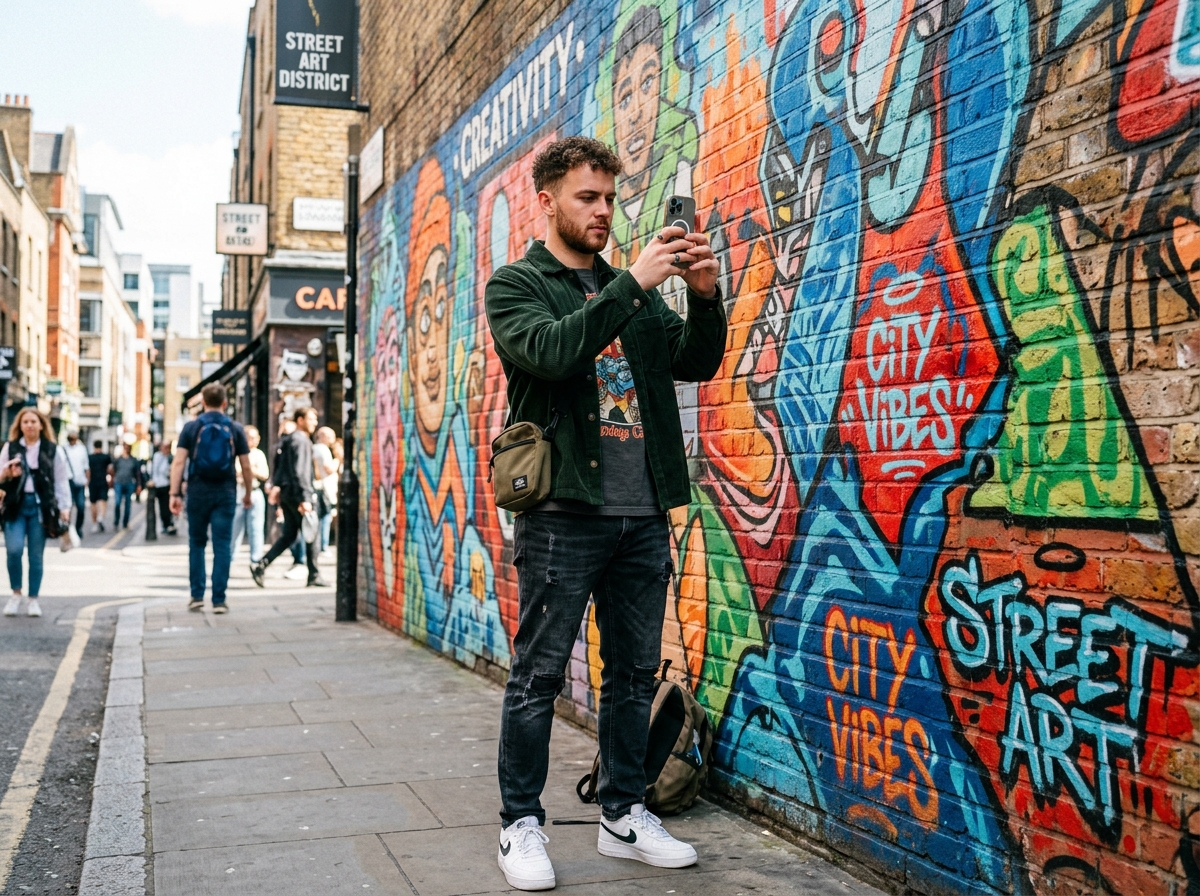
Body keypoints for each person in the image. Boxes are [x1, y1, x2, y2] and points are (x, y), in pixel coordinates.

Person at [483, 137, 726, 890]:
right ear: (548, 201)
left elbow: (693, 362)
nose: (603, 212)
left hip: (642, 511)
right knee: (540, 675)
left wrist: (708, 296)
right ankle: (519, 824)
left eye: (611, 199)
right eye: (588, 198)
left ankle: (624, 813)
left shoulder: (635, 286)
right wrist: (632, 286)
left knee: (631, 674)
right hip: (563, 512)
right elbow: (552, 355)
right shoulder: (517, 284)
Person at [168, 383, 254, 614]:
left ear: (203, 402)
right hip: (225, 492)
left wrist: (174, 493)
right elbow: (245, 465)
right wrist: (248, 492)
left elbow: (178, 462)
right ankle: (219, 600)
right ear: (225, 403)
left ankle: (197, 596)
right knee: (222, 545)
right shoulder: (235, 429)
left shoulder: (192, 427)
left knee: (196, 544)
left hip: (197, 492)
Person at [1, 409, 72, 618]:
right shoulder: (11, 447)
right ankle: (15, 594)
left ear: (41, 425)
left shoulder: (52, 450)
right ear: (20, 426)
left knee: (36, 556)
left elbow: (61, 479)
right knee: (13, 550)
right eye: (25, 422)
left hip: (41, 507)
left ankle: (33, 599)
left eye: (34, 421)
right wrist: (7, 472)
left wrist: (65, 507)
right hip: (16, 506)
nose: (30, 425)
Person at [251, 407, 326, 588]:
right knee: (312, 533)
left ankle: (262, 565)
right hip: (298, 495)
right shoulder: (301, 440)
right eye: (311, 419)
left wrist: (278, 488)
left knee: (289, 535)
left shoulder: (288, 440)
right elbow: (300, 472)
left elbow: (281, 468)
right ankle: (314, 574)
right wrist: (305, 498)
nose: (314, 423)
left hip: (288, 494)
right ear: (300, 419)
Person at [231, 424, 269, 563]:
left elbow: (264, 474)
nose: (253, 440)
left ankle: (256, 561)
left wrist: (249, 471)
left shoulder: (259, 454)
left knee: (256, 529)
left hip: (255, 492)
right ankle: (229, 560)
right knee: (234, 530)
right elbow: (236, 473)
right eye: (250, 437)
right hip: (238, 494)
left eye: (255, 437)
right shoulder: (238, 452)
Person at [313, 426, 338, 554]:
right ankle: (324, 545)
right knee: (325, 517)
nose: (332, 439)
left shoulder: (314, 448)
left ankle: (320, 545)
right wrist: (337, 461)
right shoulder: (323, 450)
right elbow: (328, 468)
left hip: (320, 487)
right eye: (330, 436)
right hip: (324, 488)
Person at [62, 429, 89, 539]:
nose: (72, 441)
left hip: (80, 482)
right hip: (68, 482)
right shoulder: (63, 448)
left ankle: (78, 528)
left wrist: (87, 480)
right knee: (68, 507)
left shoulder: (82, 449)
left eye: (74, 439)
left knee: (81, 507)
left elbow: (86, 466)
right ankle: (67, 528)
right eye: (70, 439)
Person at [111, 443, 141, 529]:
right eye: (125, 448)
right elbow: (114, 470)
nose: (126, 449)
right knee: (117, 503)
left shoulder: (133, 460)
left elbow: (137, 473)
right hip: (119, 483)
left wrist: (138, 485)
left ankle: (125, 522)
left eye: (128, 448)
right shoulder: (118, 460)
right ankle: (116, 521)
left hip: (129, 483)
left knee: (128, 504)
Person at [150, 441, 176, 535]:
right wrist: (153, 480)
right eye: (164, 447)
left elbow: (170, 472)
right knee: (161, 507)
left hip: (167, 485)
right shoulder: (157, 456)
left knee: (166, 507)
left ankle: (168, 524)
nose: (165, 449)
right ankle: (165, 525)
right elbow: (154, 469)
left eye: (167, 447)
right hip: (158, 485)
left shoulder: (170, 457)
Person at [87, 440, 111, 533]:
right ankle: (100, 517)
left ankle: (94, 523)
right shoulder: (106, 457)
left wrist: (88, 481)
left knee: (93, 503)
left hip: (92, 482)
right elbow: (110, 469)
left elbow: (88, 471)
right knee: (103, 501)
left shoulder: (90, 457)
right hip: (102, 481)